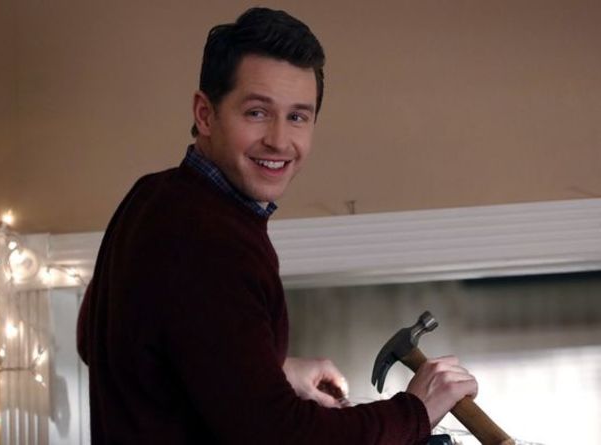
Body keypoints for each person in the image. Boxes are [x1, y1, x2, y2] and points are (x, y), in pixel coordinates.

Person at [77, 7, 477, 444]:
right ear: (205, 114)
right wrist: (415, 411)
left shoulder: (151, 198)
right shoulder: (213, 241)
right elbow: (280, 435)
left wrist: (267, 370)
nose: (279, 140)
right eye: (256, 112)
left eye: (298, 117)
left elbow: (95, 340)